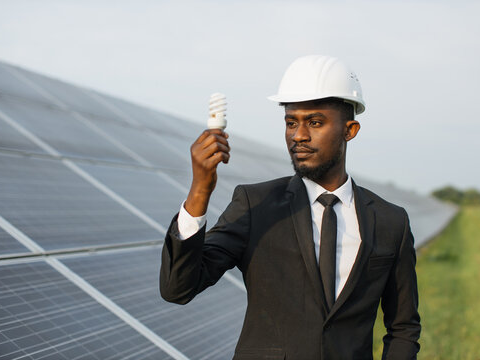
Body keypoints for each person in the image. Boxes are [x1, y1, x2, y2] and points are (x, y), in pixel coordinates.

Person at [160, 55, 421, 359]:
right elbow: (177, 289)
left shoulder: (391, 222)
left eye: (314, 122)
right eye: (291, 122)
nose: (299, 135)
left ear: (350, 130)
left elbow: (403, 327)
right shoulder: (256, 205)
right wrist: (200, 191)